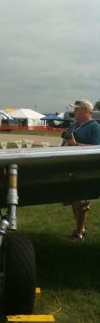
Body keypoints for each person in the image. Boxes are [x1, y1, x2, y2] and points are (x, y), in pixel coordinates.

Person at [62, 99, 100, 241]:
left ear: (85, 111)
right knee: (74, 199)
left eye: (77, 109)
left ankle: (78, 233)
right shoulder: (74, 124)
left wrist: (75, 144)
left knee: (81, 201)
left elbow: (97, 148)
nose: (74, 112)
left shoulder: (94, 126)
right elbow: (68, 142)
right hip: (72, 166)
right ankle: (80, 229)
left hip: (85, 168)